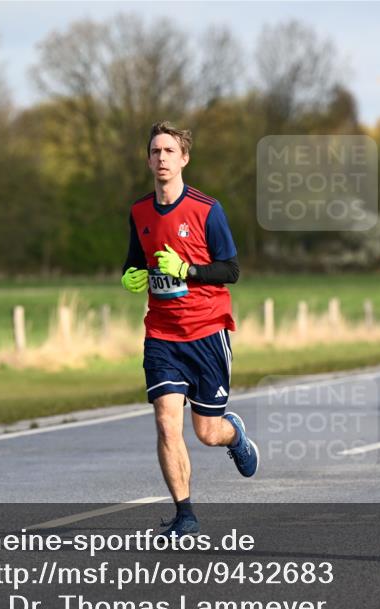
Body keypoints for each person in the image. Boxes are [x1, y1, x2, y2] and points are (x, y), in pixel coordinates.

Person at [121, 121, 259, 538]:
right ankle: (185, 515)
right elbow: (134, 261)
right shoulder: (140, 211)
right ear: (148, 159)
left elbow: (231, 269)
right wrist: (131, 276)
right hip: (162, 335)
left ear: (184, 159)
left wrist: (187, 270)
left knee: (206, 432)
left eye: (169, 151)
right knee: (166, 423)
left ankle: (234, 435)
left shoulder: (206, 209)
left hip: (207, 331)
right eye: (155, 151)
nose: (161, 158)